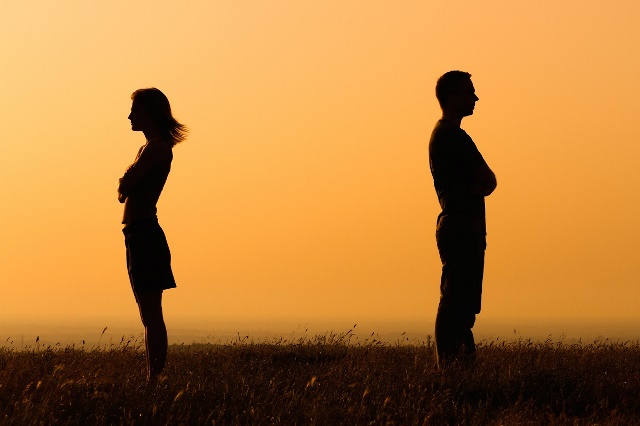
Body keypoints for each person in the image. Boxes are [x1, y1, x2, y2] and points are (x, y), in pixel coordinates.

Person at [118, 88, 188, 381]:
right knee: (148, 314)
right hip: (137, 233)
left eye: (136, 110)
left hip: (145, 234)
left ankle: (154, 378)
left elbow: (125, 186)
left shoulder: (156, 148)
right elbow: (124, 189)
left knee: (151, 315)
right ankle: (152, 377)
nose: (130, 116)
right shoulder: (147, 148)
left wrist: (125, 180)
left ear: (150, 113)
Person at [428, 71, 497, 368]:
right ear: (453, 96)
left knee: (462, 303)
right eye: (470, 92)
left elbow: (486, 181)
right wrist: (474, 189)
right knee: (457, 302)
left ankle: (460, 368)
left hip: (460, 227)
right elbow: (489, 180)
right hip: (461, 228)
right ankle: (451, 369)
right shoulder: (453, 137)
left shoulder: (445, 135)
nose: (476, 98)